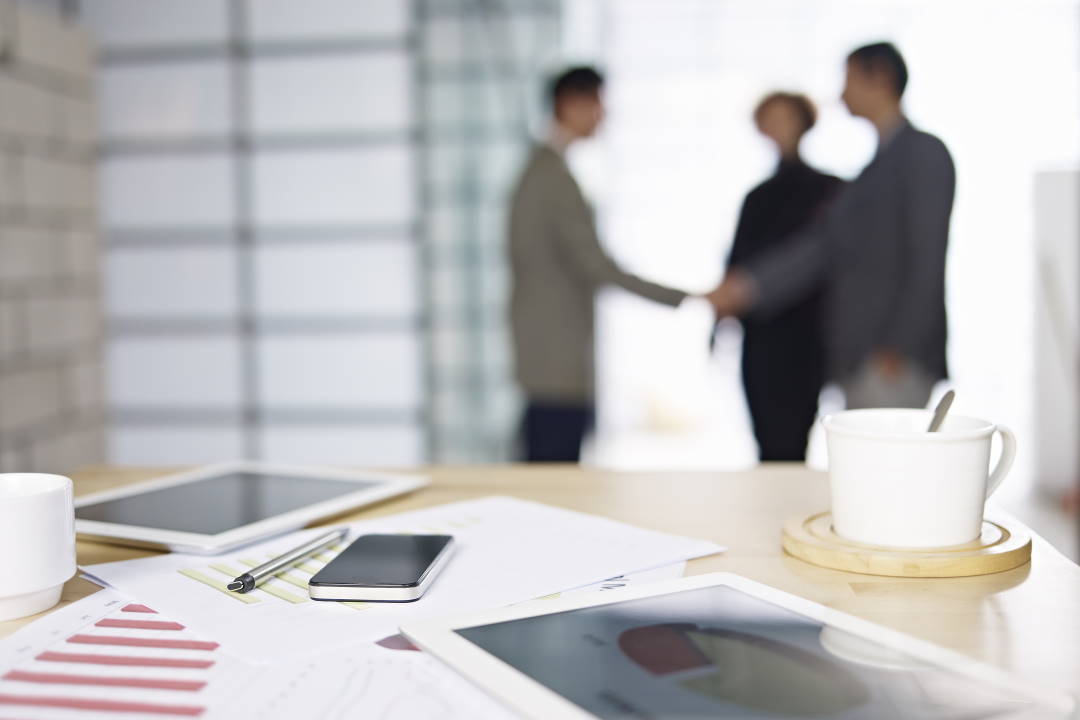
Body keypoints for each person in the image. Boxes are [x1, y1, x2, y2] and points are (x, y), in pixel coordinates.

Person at [708, 42, 955, 410]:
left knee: (888, 465)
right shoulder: (869, 173)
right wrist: (746, 288)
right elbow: (820, 248)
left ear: (880, 78)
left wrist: (898, 350)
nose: (841, 93)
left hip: (890, 363)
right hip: (859, 361)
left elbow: (928, 259)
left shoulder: (923, 153)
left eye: (849, 79)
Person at [508, 66, 694, 463]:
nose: (603, 116)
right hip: (554, 354)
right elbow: (594, 264)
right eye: (597, 105)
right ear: (570, 104)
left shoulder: (546, 169)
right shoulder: (550, 175)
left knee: (551, 460)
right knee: (554, 468)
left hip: (551, 352)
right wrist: (685, 296)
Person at [721, 92, 842, 461]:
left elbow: (822, 261)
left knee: (790, 443)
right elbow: (736, 264)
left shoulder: (830, 190)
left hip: (804, 338)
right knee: (767, 443)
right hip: (760, 339)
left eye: (784, 118)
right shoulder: (756, 197)